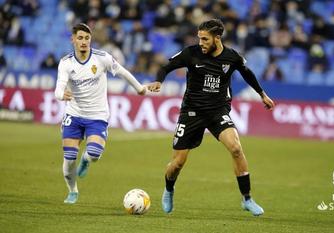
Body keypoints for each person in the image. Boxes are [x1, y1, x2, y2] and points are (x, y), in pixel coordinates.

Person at [147, 19, 275, 216]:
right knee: (178, 163)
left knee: (236, 148)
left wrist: (262, 94)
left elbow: (247, 73)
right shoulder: (191, 53)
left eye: (205, 39)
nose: (201, 42)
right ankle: (169, 190)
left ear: (217, 38)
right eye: (199, 38)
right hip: (192, 112)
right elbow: (166, 67)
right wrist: (158, 80)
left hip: (217, 111)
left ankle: (247, 199)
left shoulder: (232, 57)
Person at [55, 23, 146, 204]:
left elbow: (122, 72)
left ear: (91, 40)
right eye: (80, 38)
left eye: (87, 38)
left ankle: (86, 161)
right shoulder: (66, 62)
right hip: (74, 115)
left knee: (94, 153)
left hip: (97, 116)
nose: (83, 42)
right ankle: (73, 191)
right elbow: (59, 85)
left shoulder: (102, 58)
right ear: (73, 39)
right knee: (69, 157)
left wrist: (139, 88)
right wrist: (60, 94)